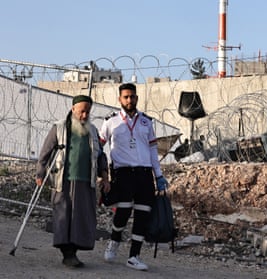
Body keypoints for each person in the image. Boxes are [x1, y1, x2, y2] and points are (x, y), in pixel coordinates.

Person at [99, 83, 169, 271]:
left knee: (142, 214)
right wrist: (101, 172)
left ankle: (134, 256)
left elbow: (153, 150)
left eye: (132, 97)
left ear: (137, 98)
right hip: (123, 173)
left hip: (144, 174)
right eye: (126, 97)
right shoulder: (111, 121)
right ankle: (114, 242)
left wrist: (159, 175)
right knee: (122, 212)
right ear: (120, 99)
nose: (129, 100)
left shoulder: (146, 121)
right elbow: (99, 147)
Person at [35, 95, 109, 268]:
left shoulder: (92, 131)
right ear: (73, 108)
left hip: (86, 183)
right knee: (64, 216)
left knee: (81, 217)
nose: (84, 115)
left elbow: (100, 156)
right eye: (82, 111)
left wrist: (105, 177)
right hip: (64, 180)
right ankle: (67, 253)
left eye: (87, 112)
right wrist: (40, 172)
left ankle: (73, 251)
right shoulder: (59, 128)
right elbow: (45, 152)